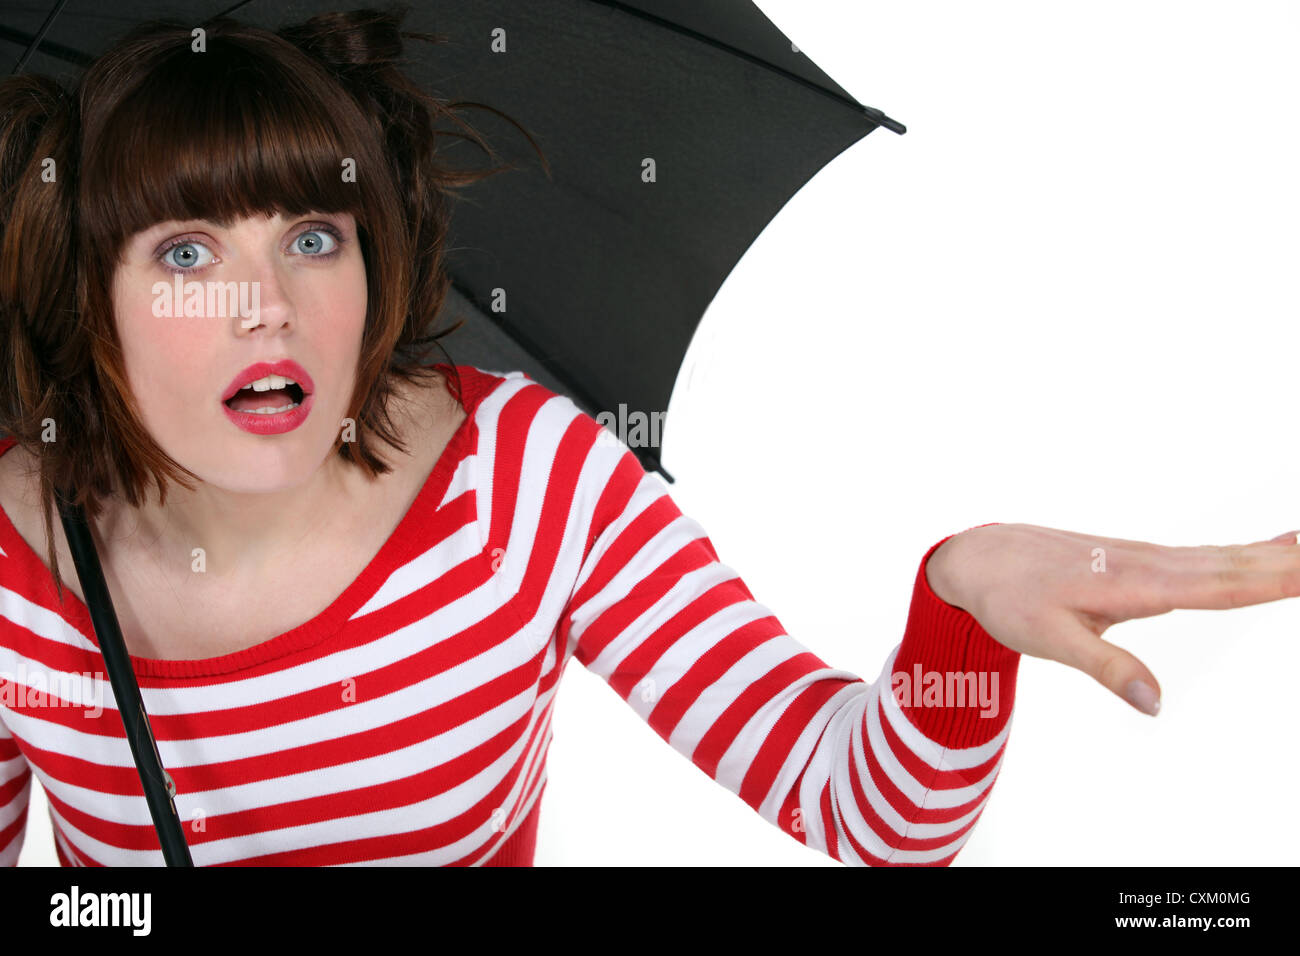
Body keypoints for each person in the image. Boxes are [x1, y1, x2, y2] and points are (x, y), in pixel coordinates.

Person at [2, 8, 1298, 868]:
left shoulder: (523, 478)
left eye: (311, 235)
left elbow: (865, 811)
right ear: (88, 293)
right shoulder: (14, 558)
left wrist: (956, 615)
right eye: (186, 254)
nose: (267, 306)